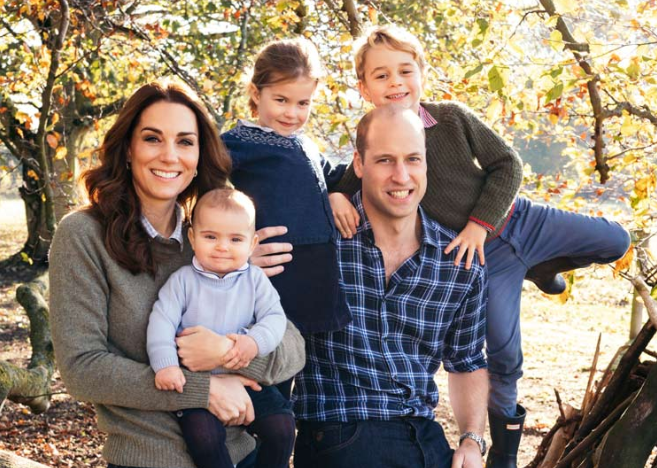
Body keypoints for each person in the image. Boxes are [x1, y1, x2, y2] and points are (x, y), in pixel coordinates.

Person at [328, 25, 631, 468]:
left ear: (422, 74)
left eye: (405, 71)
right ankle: (503, 456)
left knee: (615, 239)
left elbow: (508, 163)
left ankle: (544, 267)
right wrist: (335, 194)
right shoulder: (377, 138)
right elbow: (350, 178)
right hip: (486, 261)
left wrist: (479, 223)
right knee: (504, 354)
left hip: (520, 221)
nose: (396, 83)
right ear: (364, 88)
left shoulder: (450, 117)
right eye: (381, 75)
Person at [49, 78, 305, 468]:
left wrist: (228, 353)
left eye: (185, 141)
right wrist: (203, 390)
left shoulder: (217, 239)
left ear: (201, 154)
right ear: (128, 149)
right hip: (147, 458)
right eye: (153, 138)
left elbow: (292, 349)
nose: (170, 156)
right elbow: (83, 368)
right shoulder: (84, 235)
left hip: (243, 454)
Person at [293, 105, 489, 468]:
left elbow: (466, 361)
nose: (402, 176)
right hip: (340, 431)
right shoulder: (319, 241)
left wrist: (472, 440)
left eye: (412, 159)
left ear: (426, 163)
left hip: (424, 437)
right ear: (359, 164)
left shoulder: (458, 263)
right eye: (385, 160)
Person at [221, 37, 352, 398]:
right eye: (281, 100)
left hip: (316, 278)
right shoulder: (240, 143)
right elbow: (202, 182)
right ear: (256, 92)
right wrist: (233, 242)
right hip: (278, 278)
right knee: (268, 376)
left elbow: (332, 175)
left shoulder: (306, 144)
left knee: (302, 379)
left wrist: (337, 192)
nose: (292, 113)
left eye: (303, 103)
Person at [147, 188, 295, 468]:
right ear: (192, 237)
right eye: (210, 236)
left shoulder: (255, 281)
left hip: (244, 379)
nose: (222, 247)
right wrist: (165, 365)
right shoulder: (183, 281)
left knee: (282, 427)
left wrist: (253, 343)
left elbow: (274, 318)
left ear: (252, 244)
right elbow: (161, 321)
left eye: (235, 239)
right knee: (203, 437)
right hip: (198, 384)